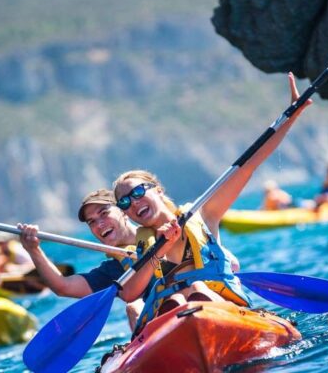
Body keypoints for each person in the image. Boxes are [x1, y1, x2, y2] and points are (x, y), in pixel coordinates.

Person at [112, 72, 310, 334]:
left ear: (158, 190)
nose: (133, 203)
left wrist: (291, 115)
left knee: (197, 289)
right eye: (124, 203)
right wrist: (159, 250)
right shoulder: (142, 250)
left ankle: (193, 308)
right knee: (166, 302)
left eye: (137, 192)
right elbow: (129, 294)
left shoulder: (204, 215)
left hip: (218, 309)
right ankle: (181, 313)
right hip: (172, 323)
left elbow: (248, 166)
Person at [18, 189, 144, 332]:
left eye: (104, 213)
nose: (99, 224)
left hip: (174, 301)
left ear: (122, 210)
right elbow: (63, 286)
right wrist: (33, 250)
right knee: (133, 307)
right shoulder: (112, 271)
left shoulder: (162, 231)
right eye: (92, 222)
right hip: (158, 319)